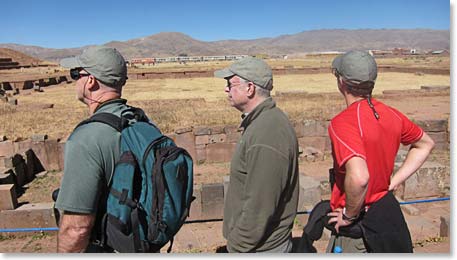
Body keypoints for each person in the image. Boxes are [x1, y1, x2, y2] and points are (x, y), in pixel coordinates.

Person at [326, 50, 435, 253]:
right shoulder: (392, 114)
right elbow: (425, 143)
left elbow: (359, 178)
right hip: (385, 216)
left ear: (341, 82)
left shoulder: (342, 123)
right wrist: (393, 182)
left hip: (358, 229)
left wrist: (349, 215)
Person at [214, 57, 299, 253]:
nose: (226, 89)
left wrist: (237, 247)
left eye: (230, 83)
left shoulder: (266, 132)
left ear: (250, 88)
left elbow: (260, 205)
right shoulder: (262, 123)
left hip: (260, 247)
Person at [55, 46, 134, 252]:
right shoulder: (140, 122)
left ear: (90, 81)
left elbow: (76, 229)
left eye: (75, 74)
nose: (74, 81)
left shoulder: (86, 139)